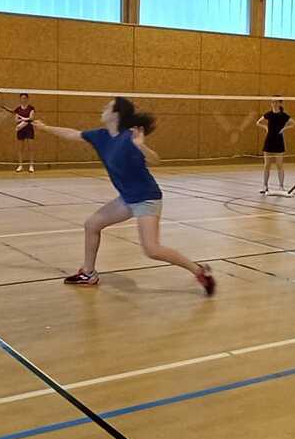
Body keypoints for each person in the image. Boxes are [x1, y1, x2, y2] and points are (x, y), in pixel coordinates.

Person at [33, 97, 216, 295]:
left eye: (108, 106)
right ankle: (88, 273)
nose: (103, 108)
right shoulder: (101, 136)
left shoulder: (130, 137)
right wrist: (44, 127)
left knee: (152, 250)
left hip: (146, 198)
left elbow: (156, 160)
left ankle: (200, 271)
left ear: (116, 114)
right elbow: (72, 134)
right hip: (127, 199)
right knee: (92, 225)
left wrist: (141, 145)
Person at [257, 97, 295, 194]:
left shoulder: (284, 115)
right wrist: (265, 127)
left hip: (279, 142)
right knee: (267, 165)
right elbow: (258, 123)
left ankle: (281, 186)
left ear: (280, 103)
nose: (274, 104)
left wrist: (284, 129)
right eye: (273, 102)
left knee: (279, 165)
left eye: (276, 102)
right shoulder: (268, 114)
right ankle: (265, 186)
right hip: (269, 141)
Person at [12, 93, 37, 174]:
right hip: (20, 129)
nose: (24, 99)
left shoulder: (31, 108)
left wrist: (24, 119)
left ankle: (31, 165)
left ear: (27, 99)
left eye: (25, 98)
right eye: (22, 98)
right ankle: (20, 165)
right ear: (20, 99)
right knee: (20, 148)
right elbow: (16, 120)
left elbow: (31, 118)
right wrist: (25, 119)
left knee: (31, 148)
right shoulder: (17, 109)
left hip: (29, 129)